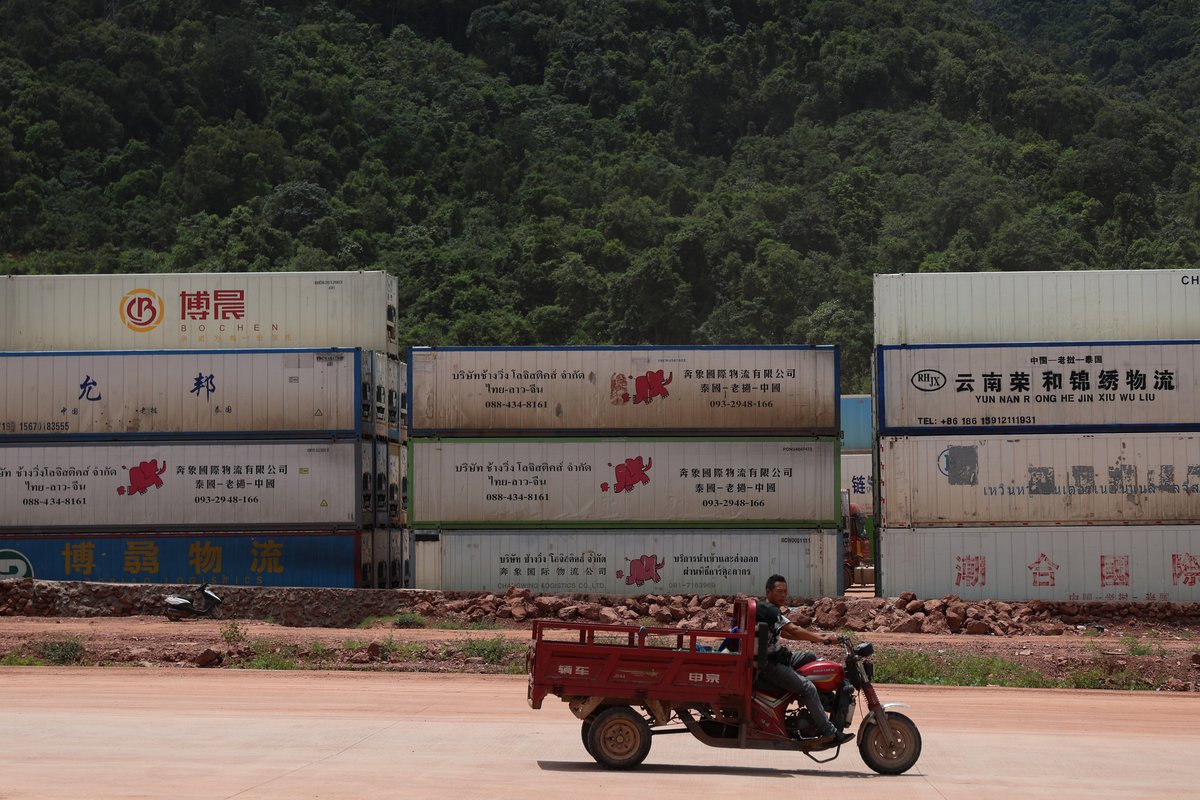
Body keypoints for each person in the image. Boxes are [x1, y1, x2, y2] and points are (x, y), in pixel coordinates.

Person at [756, 574, 855, 745]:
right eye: (779, 591)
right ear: (768, 591)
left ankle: (822, 701)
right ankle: (829, 732)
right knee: (808, 688)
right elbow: (793, 629)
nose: (783, 595)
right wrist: (820, 638)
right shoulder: (769, 609)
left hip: (779, 655)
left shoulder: (769, 610)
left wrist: (820, 636)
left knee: (810, 656)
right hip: (769, 665)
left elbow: (786, 633)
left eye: (785, 592)